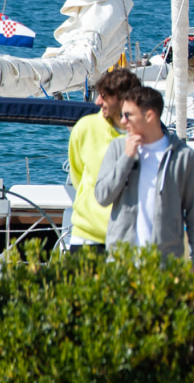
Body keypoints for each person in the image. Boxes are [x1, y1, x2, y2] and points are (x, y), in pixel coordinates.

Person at [94, 86, 194, 260]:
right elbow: (102, 196)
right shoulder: (118, 148)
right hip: (121, 264)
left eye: (128, 115)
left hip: (165, 267)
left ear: (149, 116)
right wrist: (126, 158)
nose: (123, 121)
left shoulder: (183, 156)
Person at [68, 68, 142, 253]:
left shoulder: (146, 135)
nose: (97, 101)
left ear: (123, 100)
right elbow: (78, 176)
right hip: (86, 238)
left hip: (130, 241)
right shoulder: (85, 128)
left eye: (104, 96)